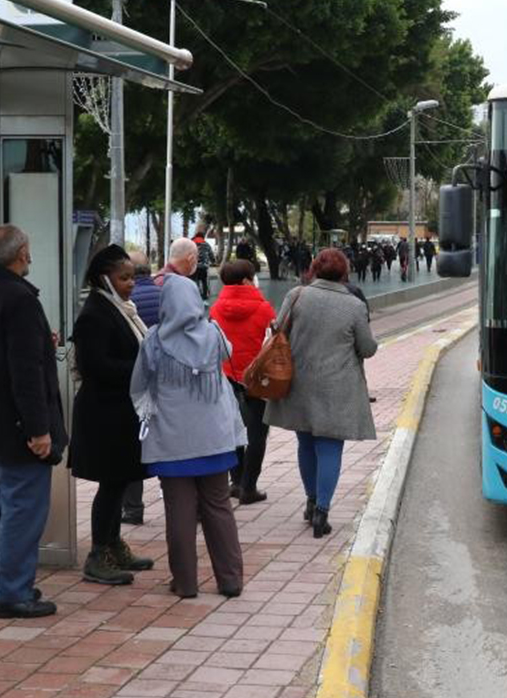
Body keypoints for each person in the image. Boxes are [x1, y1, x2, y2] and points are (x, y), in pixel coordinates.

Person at [0, 225, 65, 619]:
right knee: (23, 511)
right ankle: (11, 593)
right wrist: (39, 430)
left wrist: (41, 343)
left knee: (1, 508)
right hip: (19, 426)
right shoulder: (20, 299)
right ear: (22, 252)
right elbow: (24, 372)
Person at [131, 275, 246, 599]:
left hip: (171, 441)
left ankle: (185, 583)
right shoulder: (213, 334)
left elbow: (139, 387)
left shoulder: (153, 340)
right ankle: (230, 580)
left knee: (179, 511)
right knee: (218, 506)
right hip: (214, 438)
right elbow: (228, 353)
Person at [265, 249, 378, 538]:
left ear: (314, 269)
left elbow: (278, 330)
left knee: (305, 444)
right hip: (337, 389)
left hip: (299, 384)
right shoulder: (354, 305)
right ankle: (322, 512)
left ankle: (311, 501)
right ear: (344, 273)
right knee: (329, 448)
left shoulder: (296, 296)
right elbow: (367, 348)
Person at [69, 245, 154, 585]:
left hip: (120, 412)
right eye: (124, 278)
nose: (131, 283)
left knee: (118, 483)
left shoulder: (122, 310)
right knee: (111, 484)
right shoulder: (95, 314)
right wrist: (143, 366)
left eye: (132, 277)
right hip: (104, 415)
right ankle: (98, 554)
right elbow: (95, 366)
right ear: (104, 279)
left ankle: (114, 544)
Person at [209, 259, 274, 505]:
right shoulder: (264, 309)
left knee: (232, 429)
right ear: (248, 280)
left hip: (226, 376)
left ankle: (235, 481)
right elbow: (273, 340)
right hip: (257, 378)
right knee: (258, 432)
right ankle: (249, 487)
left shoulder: (215, 309)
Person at [123, 251, 162, 525]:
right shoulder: (164, 297)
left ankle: (133, 508)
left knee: (134, 442)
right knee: (165, 440)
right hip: (164, 381)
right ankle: (176, 496)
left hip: (135, 383)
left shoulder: (127, 302)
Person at [192, 225, 215, 300]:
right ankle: (205, 296)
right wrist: (213, 261)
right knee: (204, 281)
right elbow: (211, 254)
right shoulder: (206, 244)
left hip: (194, 266)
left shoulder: (192, 243)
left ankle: (195, 295)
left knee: (195, 280)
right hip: (204, 266)